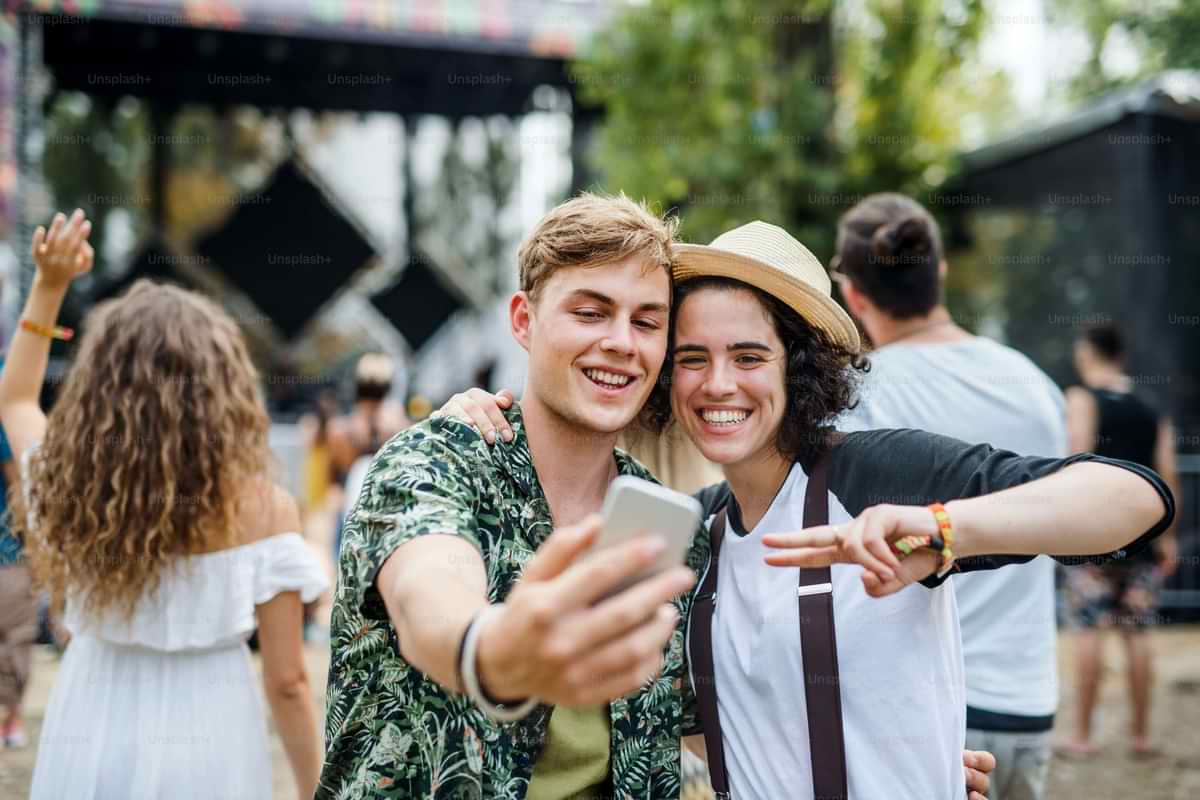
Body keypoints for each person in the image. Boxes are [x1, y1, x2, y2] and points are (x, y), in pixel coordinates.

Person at [442, 218, 1173, 799]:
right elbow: (643, 712)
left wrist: (946, 528)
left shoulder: (878, 472)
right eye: (692, 357)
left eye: (750, 357)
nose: (717, 385)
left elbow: (1134, 498)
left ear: (801, 368)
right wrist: (485, 414)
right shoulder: (686, 527)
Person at [1, 210, 328, 800]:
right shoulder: (266, 510)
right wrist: (313, 791)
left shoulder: (63, 486)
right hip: (211, 740)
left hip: (89, 723)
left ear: (96, 389)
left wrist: (49, 287)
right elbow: (287, 683)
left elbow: (18, 399)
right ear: (224, 389)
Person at [832, 193, 1067, 800]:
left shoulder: (859, 392)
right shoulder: (1035, 385)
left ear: (852, 294)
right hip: (1028, 698)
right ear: (938, 271)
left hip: (927, 707)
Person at [1061, 322, 1180, 759]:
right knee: (1137, 632)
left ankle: (1083, 737)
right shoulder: (1150, 407)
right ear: (1122, 356)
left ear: (1087, 352)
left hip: (1092, 532)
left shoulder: (1081, 397)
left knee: (1088, 629)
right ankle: (1141, 736)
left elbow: (1077, 457)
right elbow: (1167, 474)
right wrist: (1169, 537)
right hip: (1145, 531)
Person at [0, 382, 35, 750]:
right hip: (9, 549)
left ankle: (10, 715)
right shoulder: (7, 384)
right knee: (14, 637)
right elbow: (17, 482)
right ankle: (10, 716)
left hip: (7, 548)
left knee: (13, 636)